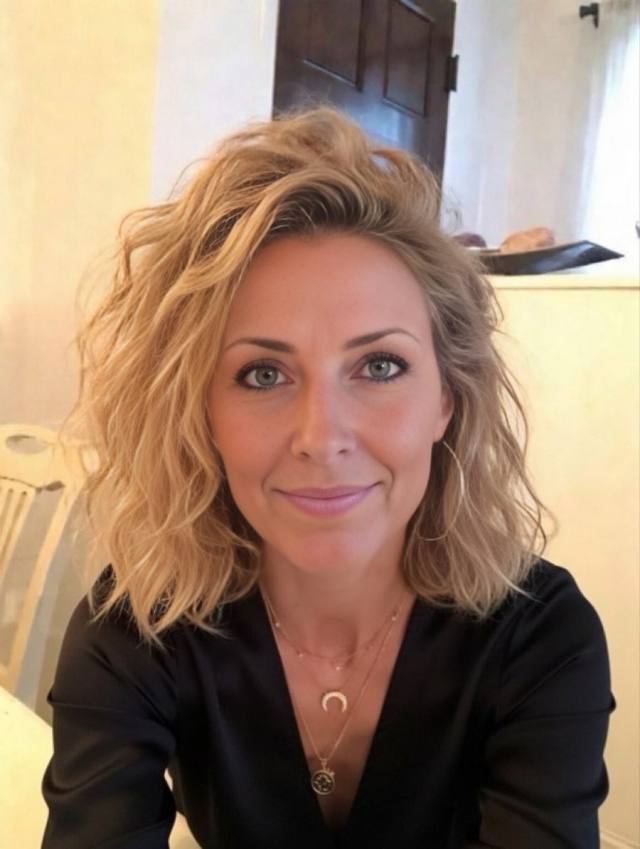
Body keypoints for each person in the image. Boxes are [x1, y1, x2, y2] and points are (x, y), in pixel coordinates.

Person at [41, 106, 615, 849]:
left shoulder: (542, 635)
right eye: (262, 373)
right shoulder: (134, 632)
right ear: (201, 413)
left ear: (447, 398)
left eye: (379, 366)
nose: (321, 438)